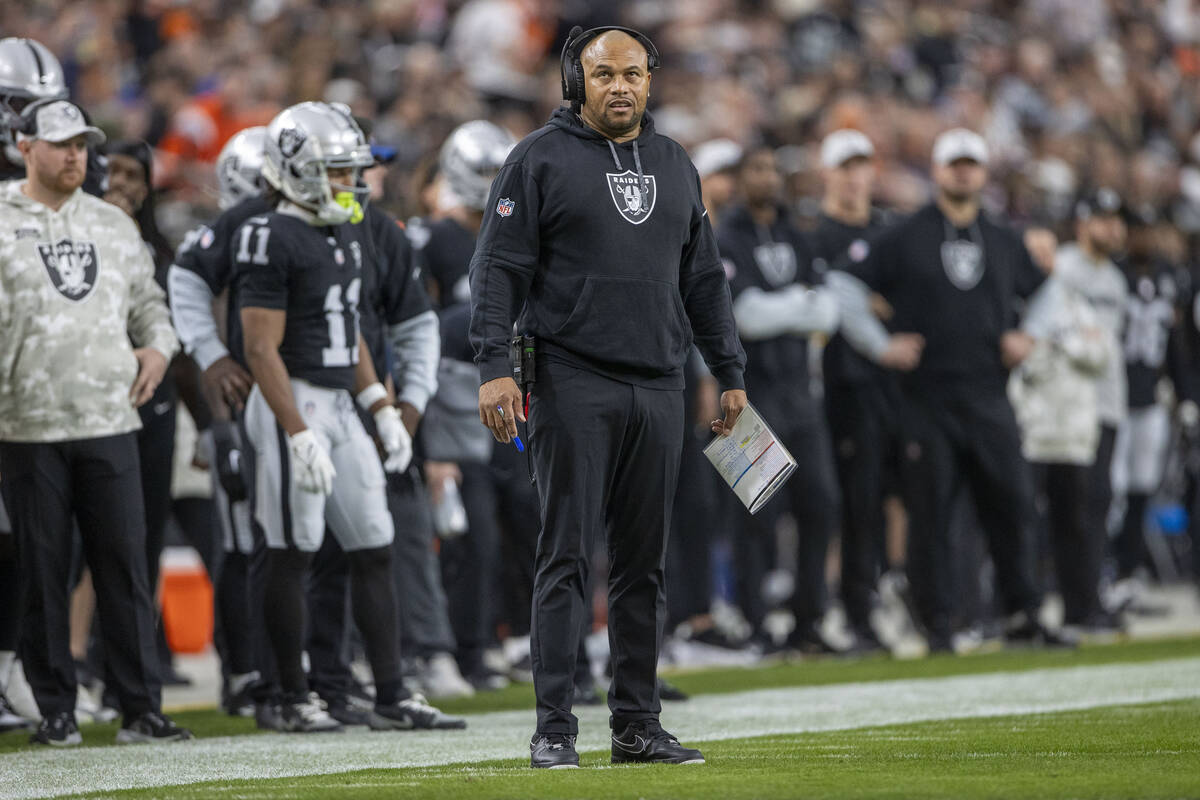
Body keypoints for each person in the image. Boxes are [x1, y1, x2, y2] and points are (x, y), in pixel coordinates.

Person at [469, 26, 746, 768]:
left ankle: (635, 725)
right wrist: (494, 365)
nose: (619, 87)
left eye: (632, 74)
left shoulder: (675, 162)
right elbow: (496, 272)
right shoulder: (537, 159)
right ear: (575, 82)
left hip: (661, 381)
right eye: (603, 75)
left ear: (650, 81)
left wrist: (730, 370)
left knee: (642, 565)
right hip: (570, 378)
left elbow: (704, 281)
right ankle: (554, 727)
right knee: (565, 556)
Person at [236, 102, 461, 733]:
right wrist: (296, 430)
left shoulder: (343, 229)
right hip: (291, 398)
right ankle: (287, 695)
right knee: (292, 549)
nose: (351, 183)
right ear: (298, 169)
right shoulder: (269, 234)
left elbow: (350, 332)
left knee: (374, 543)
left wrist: (380, 406)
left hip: (339, 399)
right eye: (337, 171)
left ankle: (391, 693)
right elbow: (259, 348)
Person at [829, 128, 1070, 652]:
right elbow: (844, 284)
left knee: (1012, 506)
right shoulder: (904, 234)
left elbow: (1050, 287)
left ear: (983, 173)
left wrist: (1030, 334)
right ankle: (937, 624)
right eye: (954, 163)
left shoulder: (1003, 236)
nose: (963, 171)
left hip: (989, 393)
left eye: (972, 164)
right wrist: (879, 346)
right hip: (926, 398)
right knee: (931, 516)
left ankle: (1023, 614)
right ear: (937, 170)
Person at [0, 98, 190, 744]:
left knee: (125, 567)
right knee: (41, 572)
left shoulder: (114, 224)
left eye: (82, 143)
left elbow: (152, 308)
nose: (76, 154)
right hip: (24, 425)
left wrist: (159, 349)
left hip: (111, 417)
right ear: (23, 146)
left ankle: (141, 705)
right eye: (60, 144)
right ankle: (55, 708)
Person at [716, 145, 842, 654]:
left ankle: (808, 621)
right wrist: (800, 305)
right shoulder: (724, 235)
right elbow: (745, 317)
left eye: (771, 168)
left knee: (821, 506)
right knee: (757, 513)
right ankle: (755, 624)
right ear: (741, 177)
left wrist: (782, 308)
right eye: (756, 168)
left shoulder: (798, 232)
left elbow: (829, 314)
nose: (766, 177)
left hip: (801, 392)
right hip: (748, 393)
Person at [808, 129, 896, 651]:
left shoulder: (888, 231)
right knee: (824, 504)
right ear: (828, 173)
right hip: (827, 386)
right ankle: (820, 610)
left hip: (879, 388)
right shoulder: (812, 234)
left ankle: (861, 609)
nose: (853, 175)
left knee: (869, 502)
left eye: (861, 165)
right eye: (844, 166)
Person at [1007, 225, 1115, 636]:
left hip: (1071, 433)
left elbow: (1101, 353)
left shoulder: (1073, 303)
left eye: (1047, 251)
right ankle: (1024, 609)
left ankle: (1081, 608)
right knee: (1021, 525)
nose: (1041, 260)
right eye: (1033, 251)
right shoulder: (1011, 302)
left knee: (1075, 525)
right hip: (1028, 430)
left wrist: (1060, 344)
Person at [1050, 189, 1130, 628]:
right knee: (1075, 506)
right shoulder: (1065, 268)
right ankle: (1077, 602)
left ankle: (1089, 598)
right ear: (1082, 223)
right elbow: (1060, 332)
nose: (1114, 227)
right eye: (1103, 218)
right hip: (1072, 404)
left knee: (1099, 503)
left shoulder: (1114, 279)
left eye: (1115, 218)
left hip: (1108, 403)